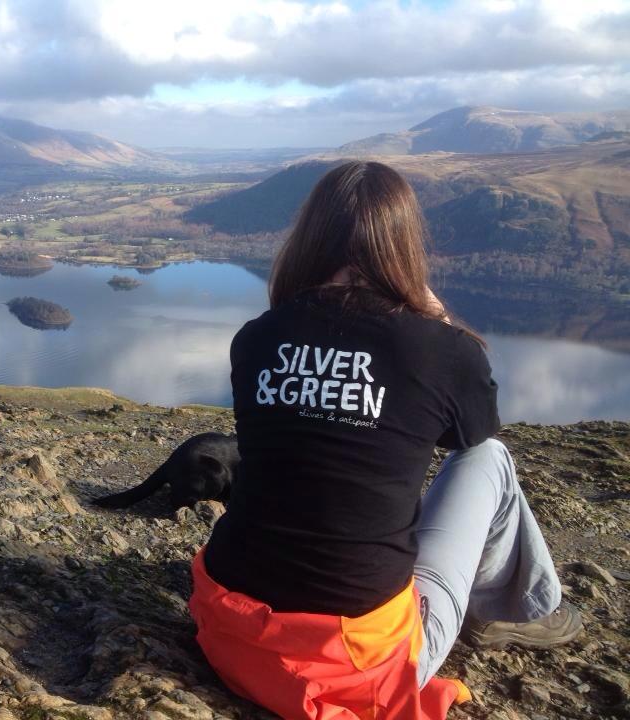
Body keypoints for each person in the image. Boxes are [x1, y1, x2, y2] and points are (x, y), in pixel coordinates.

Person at [188, 161, 581, 720]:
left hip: (229, 632)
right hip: (349, 664)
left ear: (310, 238)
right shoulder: (441, 350)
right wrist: (438, 319)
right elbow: (472, 432)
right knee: (490, 460)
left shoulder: (256, 337)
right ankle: (514, 613)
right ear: (402, 244)